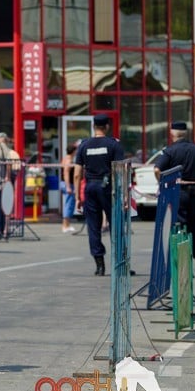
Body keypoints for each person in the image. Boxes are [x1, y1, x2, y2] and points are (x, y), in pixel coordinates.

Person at [153, 121, 195, 278]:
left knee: (179, 228)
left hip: (178, 193)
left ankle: (182, 266)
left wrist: (163, 183)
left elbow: (157, 169)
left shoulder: (170, 151)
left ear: (172, 133)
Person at [73, 113, 125, 276]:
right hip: (109, 188)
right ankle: (120, 265)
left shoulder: (84, 145)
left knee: (93, 227)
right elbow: (120, 171)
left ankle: (99, 265)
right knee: (116, 225)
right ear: (107, 126)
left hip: (90, 187)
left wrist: (77, 197)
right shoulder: (114, 145)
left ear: (94, 126)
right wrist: (123, 195)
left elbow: (77, 174)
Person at [60, 144, 77, 234]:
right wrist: (68, 186)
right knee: (69, 205)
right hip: (68, 184)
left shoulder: (65, 158)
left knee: (68, 204)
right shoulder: (69, 160)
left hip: (65, 183)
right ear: (74, 151)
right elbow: (66, 173)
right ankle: (65, 225)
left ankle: (67, 224)